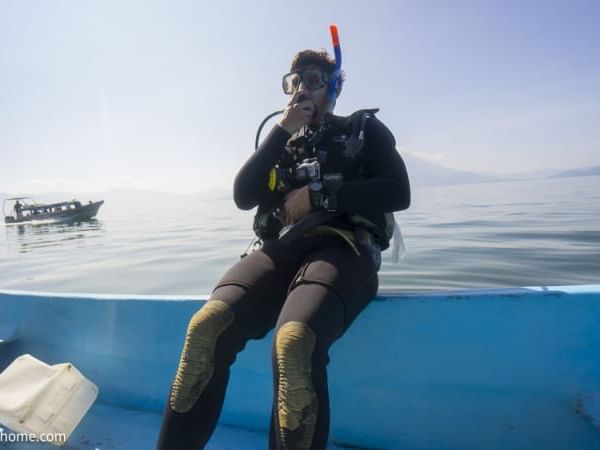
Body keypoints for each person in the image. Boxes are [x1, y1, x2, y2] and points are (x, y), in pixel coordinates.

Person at [156, 49, 410, 450]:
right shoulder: (285, 143)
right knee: (206, 329)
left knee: (293, 343)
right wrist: (281, 130)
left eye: (312, 80)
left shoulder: (362, 130)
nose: (301, 90)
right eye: (293, 83)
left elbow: (399, 191)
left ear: (335, 87)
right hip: (281, 250)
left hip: (343, 249)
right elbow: (243, 195)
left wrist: (320, 195)